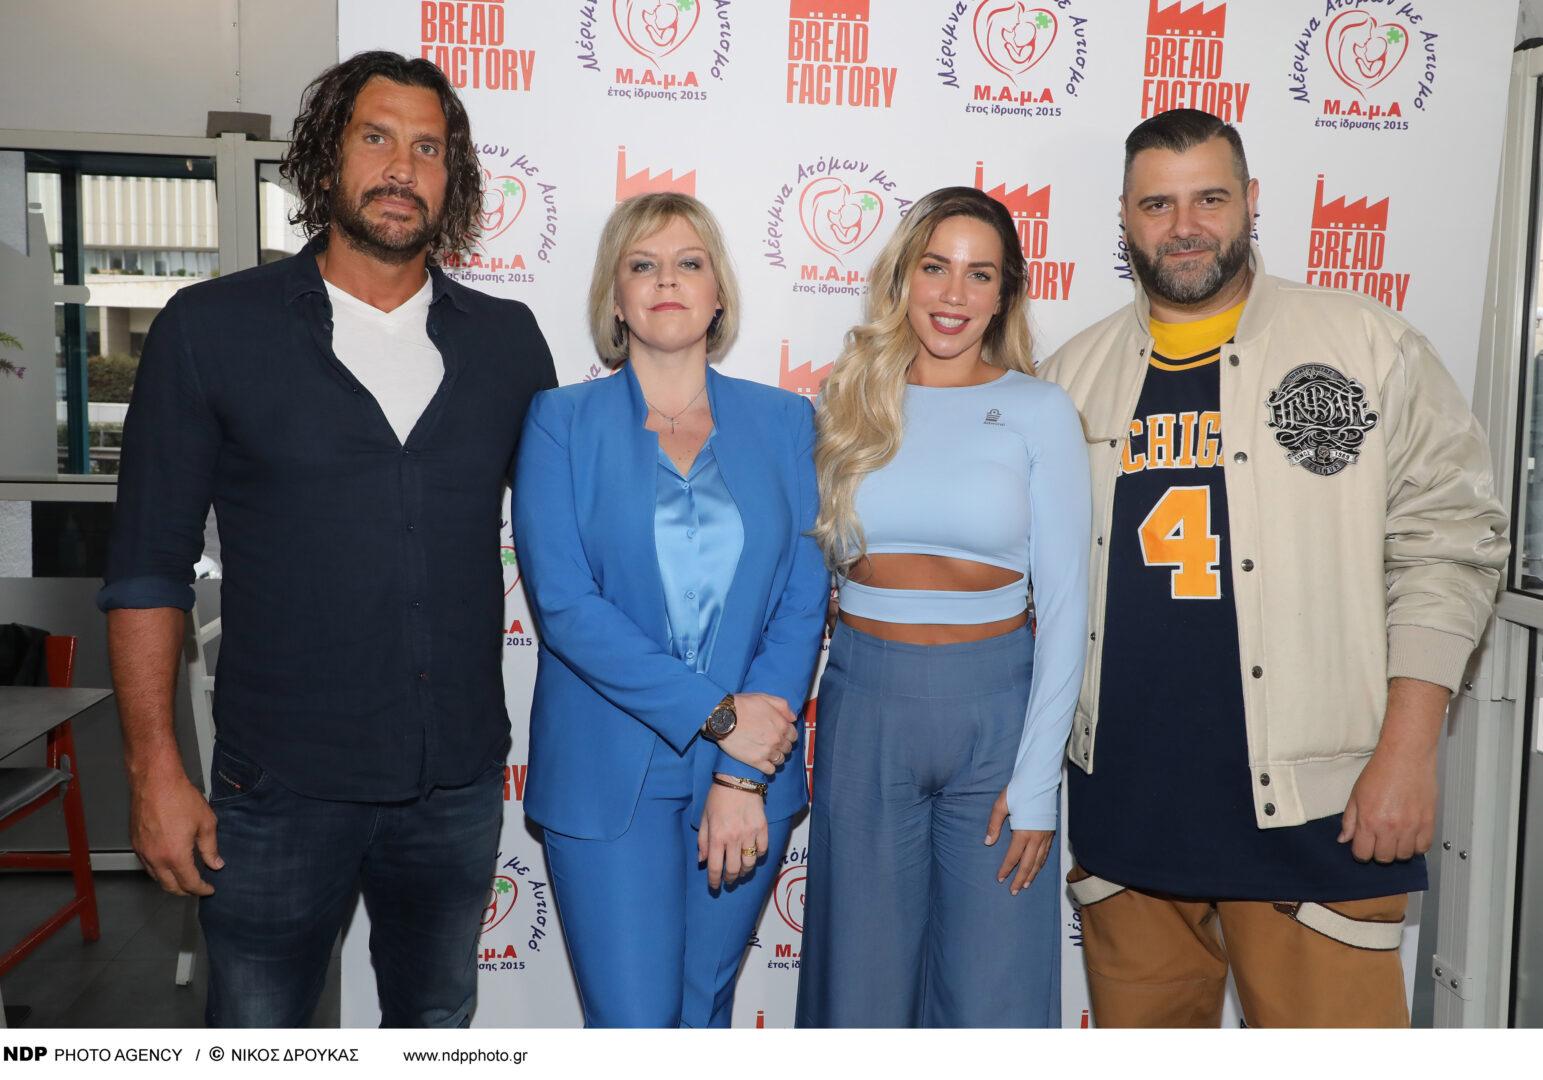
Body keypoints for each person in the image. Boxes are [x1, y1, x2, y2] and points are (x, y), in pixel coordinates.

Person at [99, 51, 556, 1027]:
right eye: (376, 137)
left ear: (452, 178)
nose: (401, 167)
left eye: (427, 148)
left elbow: (574, 536)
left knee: (435, 1033)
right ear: (325, 159)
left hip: (454, 783)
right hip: (278, 788)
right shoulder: (212, 330)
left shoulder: (508, 344)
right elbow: (146, 568)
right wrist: (153, 770)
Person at [1040, 108, 1509, 1028]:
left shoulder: (1364, 344)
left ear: (1251, 202)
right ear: (1123, 219)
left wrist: (1408, 753)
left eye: (1209, 199)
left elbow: (1448, 542)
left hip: (1319, 815)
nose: (1184, 226)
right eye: (1157, 205)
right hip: (1127, 817)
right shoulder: (1068, 379)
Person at [512, 192, 827, 1028]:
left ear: (718, 293)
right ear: (615, 300)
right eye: (642, 266)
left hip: (747, 773)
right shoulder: (559, 422)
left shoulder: (786, 421)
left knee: (703, 1012)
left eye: (689, 263)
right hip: (606, 774)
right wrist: (721, 719)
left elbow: (802, 599)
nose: (666, 281)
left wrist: (740, 769)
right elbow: (565, 607)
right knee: (634, 1026)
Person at [794, 187, 1091, 1028]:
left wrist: (1037, 781)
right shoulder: (845, 401)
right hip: (865, 707)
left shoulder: (1039, 410)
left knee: (993, 991)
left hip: (995, 717)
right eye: (935, 268)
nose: (953, 294)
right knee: (860, 987)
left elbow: (1065, 606)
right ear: (902, 278)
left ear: (1004, 294)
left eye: (979, 274)